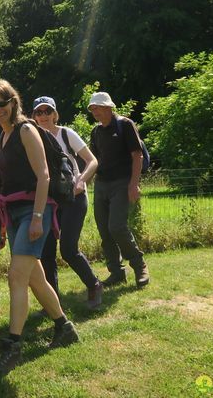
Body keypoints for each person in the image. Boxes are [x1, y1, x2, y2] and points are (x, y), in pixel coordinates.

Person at [0, 80, 79, 375]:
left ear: (14, 101)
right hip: (13, 213)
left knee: (16, 277)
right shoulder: (4, 136)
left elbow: (44, 176)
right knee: (35, 278)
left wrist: (38, 217)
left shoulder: (26, 129)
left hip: (33, 212)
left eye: (2, 103)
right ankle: (65, 327)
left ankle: (13, 345)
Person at [32, 96, 103, 310]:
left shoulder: (66, 134)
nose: (43, 116)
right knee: (45, 251)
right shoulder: (31, 139)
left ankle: (94, 285)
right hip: (49, 200)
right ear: (33, 116)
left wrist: (81, 180)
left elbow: (92, 161)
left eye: (47, 111)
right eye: (39, 112)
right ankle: (53, 303)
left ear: (55, 114)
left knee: (68, 249)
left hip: (73, 197)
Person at [88, 92, 150, 288]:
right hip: (101, 185)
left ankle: (139, 266)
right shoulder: (96, 132)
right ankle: (116, 272)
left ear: (108, 107)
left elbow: (137, 156)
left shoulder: (125, 125)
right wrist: (83, 182)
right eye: (92, 108)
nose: (94, 111)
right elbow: (94, 161)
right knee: (105, 231)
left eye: (97, 107)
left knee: (117, 227)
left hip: (122, 183)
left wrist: (133, 184)